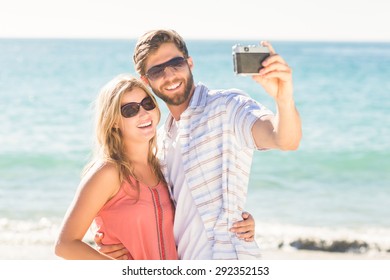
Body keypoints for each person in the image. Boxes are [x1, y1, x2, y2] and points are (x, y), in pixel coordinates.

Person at [99, 29, 302, 260]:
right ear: (146, 81)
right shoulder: (160, 141)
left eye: (176, 63)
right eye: (157, 71)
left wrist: (283, 97)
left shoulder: (227, 107)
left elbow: (284, 139)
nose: (170, 75)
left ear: (190, 63)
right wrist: (117, 243)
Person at [54, 74, 178, 259]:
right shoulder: (109, 172)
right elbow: (65, 245)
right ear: (113, 122)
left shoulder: (164, 167)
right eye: (130, 110)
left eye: (147, 103)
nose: (144, 113)